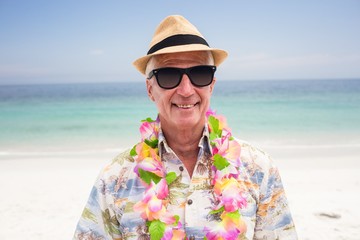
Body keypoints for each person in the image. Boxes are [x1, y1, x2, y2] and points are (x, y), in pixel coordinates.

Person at [73, 15, 297, 240]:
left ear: (212, 85)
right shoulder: (114, 179)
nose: (186, 90)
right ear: (150, 89)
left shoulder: (259, 168)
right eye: (169, 75)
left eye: (200, 74)